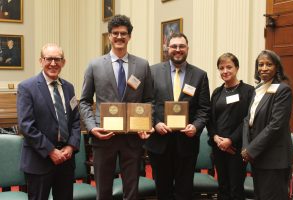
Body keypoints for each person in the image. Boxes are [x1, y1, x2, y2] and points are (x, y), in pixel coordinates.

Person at [79, 14, 153, 200]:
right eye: (115, 33)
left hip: (132, 138)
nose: (119, 37)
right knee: (103, 191)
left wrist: (146, 124)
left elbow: (149, 99)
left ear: (129, 36)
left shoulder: (142, 65)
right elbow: (84, 101)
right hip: (103, 137)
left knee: (131, 190)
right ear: (109, 36)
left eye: (123, 33)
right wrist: (91, 126)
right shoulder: (94, 65)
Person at [144, 32, 210, 200]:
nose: (178, 50)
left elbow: (204, 109)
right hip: (159, 142)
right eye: (174, 46)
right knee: (162, 190)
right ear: (167, 49)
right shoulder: (153, 71)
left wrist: (196, 126)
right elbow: (147, 102)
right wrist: (155, 123)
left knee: (184, 191)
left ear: (187, 48)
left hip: (186, 143)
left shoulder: (200, 75)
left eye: (182, 46)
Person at [17, 43, 81, 200]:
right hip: (40, 160)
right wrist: (51, 151)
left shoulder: (69, 88)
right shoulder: (27, 87)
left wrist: (71, 146)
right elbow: (26, 126)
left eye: (57, 59)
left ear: (63, 62)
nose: (53, 63)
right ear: (41, 61)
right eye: (49, 59)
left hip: (66, 160)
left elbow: (76, 121)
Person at [241, 50, 293, 200]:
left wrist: (251, 149)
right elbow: (247, 119)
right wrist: (246, 147)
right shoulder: (258, 89)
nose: (264, 68)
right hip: (258, 157)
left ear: (277, 67)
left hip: (274, 159)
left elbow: (276, 125)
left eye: (269, 64)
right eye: (260, 64)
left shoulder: (283, 90)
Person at [208, 53, 254, 200]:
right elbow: (210, 119)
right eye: (221, 68)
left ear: (237, 68)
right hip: (218, 147)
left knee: (236, 189)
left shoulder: (248, 91)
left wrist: (230, 140)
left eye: (229, 67)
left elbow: (248, 119)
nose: (225, 71)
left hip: (236, 148)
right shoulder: (216, 92)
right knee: (222, 187)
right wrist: (215, 138)